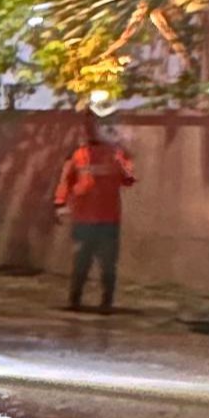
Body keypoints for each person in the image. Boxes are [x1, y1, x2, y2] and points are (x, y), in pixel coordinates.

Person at [55, 111, 137, 312]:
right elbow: (66, 181)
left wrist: (119, 159)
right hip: (84, 219)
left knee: (108, 265)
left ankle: (106, 302)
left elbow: (128, 180)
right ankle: (75, 300)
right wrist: (59, 203)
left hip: (108, 219)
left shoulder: (116, 153)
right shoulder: (79, 154)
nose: (90, 130)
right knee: (81, 262)